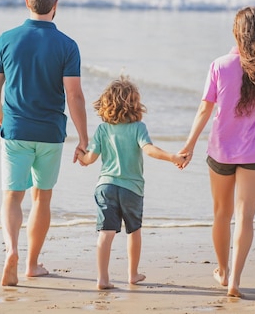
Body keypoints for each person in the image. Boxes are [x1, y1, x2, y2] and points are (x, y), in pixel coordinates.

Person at [179, 6, 255, 298]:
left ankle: (222, 269)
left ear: (236, 33)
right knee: (245, 217)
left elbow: (205, 108)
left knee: (221, 214)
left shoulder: (220, 65)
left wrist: (189, 144)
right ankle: (235, 281)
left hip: (220, 152)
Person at [0, 0, 88, 286]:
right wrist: (84, 139)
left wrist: (0, 118)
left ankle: (11, 251)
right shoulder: (67, 45)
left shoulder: (6, 39)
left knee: (12, 197)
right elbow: (74, 96)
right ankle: (31, 264)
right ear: (55, 6)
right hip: (50, 134)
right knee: (42, 198)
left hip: (15, 130)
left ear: (26, 2)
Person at [77, 77, 186, 290]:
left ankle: (102, 278)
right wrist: (172, 157)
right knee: (133, 231)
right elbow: (149, 150)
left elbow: (89, 160)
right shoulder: (138, 127)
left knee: (105, 233)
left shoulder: (102, 129)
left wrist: (81, 155)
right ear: (134, 103)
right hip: (131, 189)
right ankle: (133, 274)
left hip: (105, 187)